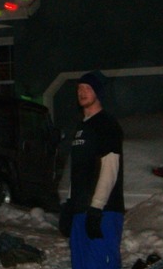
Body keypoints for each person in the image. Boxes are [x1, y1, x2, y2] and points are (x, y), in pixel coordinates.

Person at [65, 71, 124, 269]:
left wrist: (96, 208)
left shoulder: (107, 124)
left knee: (101, 264)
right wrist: (70, 205)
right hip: (80, 211)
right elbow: (78, 169)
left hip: (103, 212)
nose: (82, 92)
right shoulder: (81, 127)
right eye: (79, 88)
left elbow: (110, 168)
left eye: (87, 88)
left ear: (97, 93)